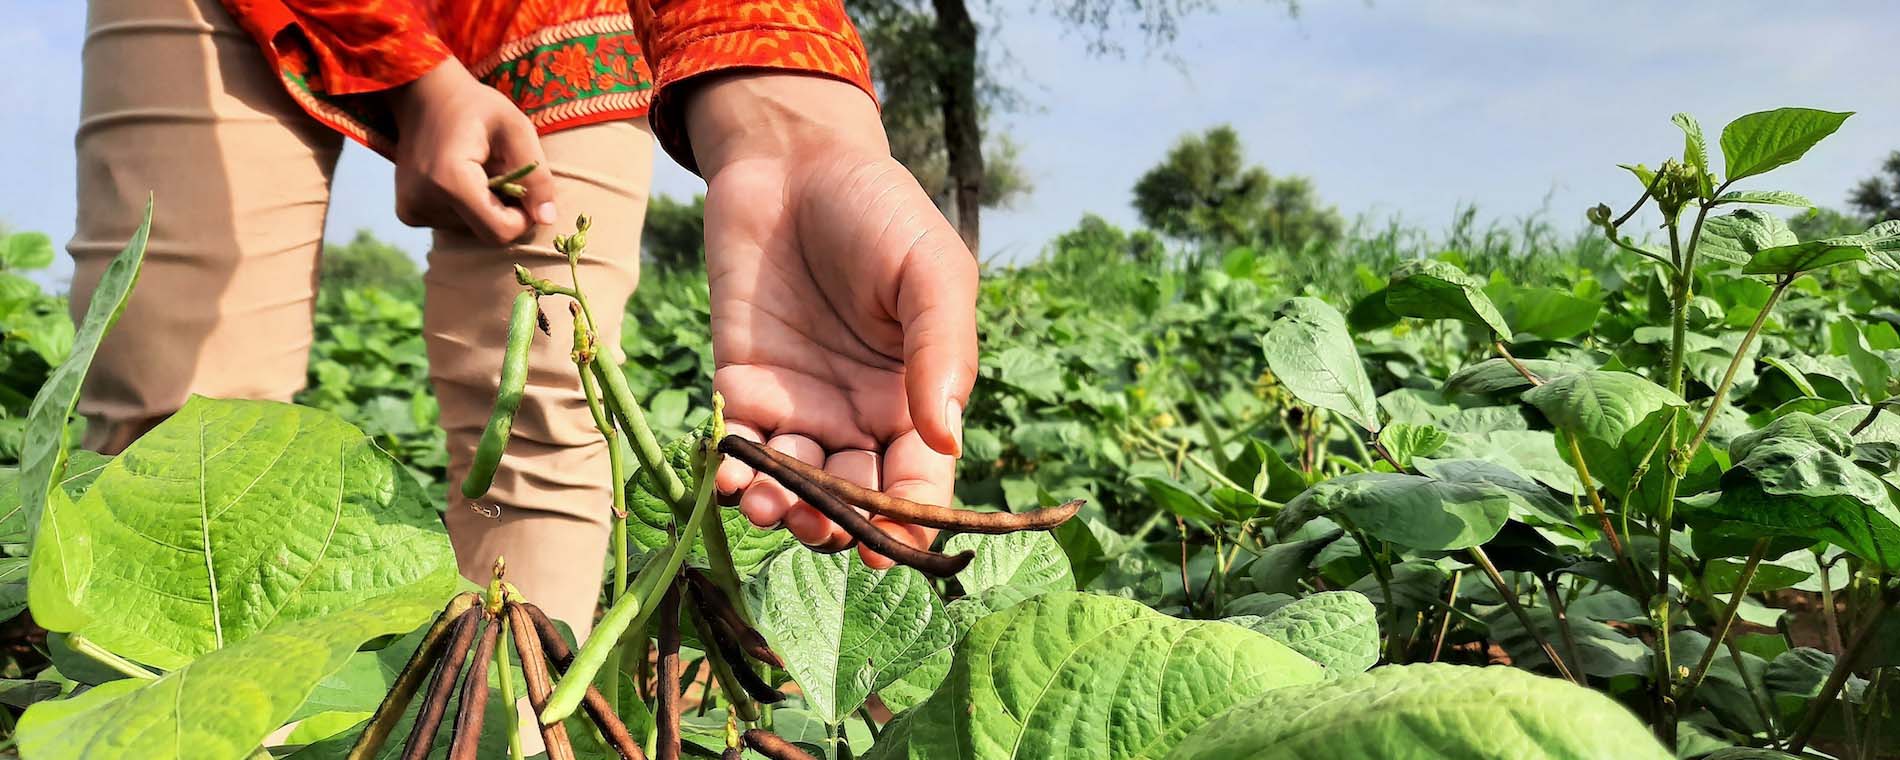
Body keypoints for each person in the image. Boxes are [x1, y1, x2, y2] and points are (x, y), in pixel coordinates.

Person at [68, 0, 978, 635]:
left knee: (540, 428)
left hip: (546, 13)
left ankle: (506, 723)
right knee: (174, 426)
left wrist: (792, 131)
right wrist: (416, 74)